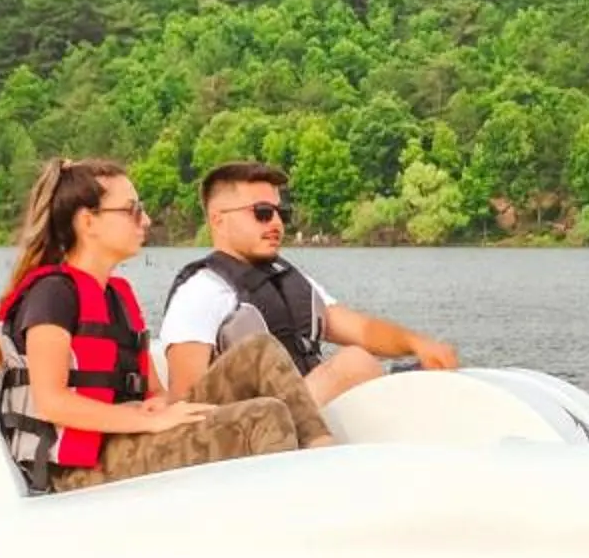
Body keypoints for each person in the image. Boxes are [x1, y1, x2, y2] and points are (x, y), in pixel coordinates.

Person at [0, 157, 334, 494]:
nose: (146, 220)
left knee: (260, 350)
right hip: (79, 469)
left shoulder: (117, 297)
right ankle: (293, 516)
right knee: (263, 415)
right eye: (132, 210)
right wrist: (149, 421)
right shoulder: (52, 295)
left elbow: (154, 392)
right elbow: (52, 402)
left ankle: (325, 456)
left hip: (128, 437)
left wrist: (158, 405)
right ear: (87, 221)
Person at [157, 160, 459, 406]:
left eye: (281, 213)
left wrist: (416, 343)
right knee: (354, 363)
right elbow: (186, 399)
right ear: (218, 219)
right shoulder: (199, 293)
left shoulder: (289, 279)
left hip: (308, 411)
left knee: (415, 376)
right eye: (262, 213)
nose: (276, 223)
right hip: (253, 429)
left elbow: (362, 330)